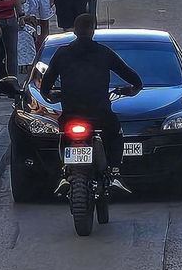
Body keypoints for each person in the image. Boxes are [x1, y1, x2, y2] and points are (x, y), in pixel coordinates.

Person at [39, 13, 143, 194]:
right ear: (92, 31)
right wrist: (132, 88)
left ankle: (64, 174)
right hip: (100, 114)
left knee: (63, 135)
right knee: (115, 133)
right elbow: (131, 77)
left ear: (75, 31)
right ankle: (115, 173)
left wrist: (51, 95)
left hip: (71, 113)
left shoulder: (62, 53)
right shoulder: (104, 52)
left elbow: (46, 83)